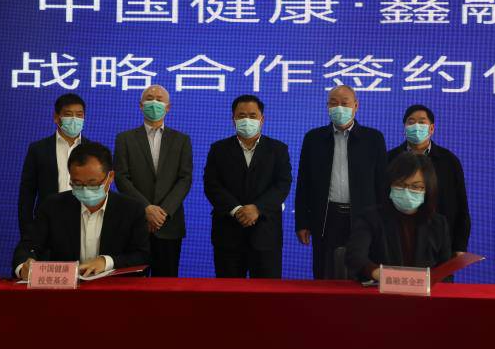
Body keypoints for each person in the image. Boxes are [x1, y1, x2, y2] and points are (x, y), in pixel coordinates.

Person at [13, 142, 150, 280]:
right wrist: (23, 267)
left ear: (110, 177)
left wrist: (107, 261)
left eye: (93, 184)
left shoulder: (132, 209)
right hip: (66, 287)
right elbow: (27, 246)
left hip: (113, 287)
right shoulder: (52, 206)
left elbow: (142, 255)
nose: (85, 190)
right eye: (77, 184)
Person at [294, 85, 387, 279]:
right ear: (327, 107)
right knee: (324, 273)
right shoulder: (313, 138)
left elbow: (381, 184)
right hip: (327, 217)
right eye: (334, 103)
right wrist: (302, 222)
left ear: (356, 106)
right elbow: (304, 184)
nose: (339, 108)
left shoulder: (373, 139)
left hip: (363, 218)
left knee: (363, 273)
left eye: (345, 103)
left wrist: (382, 221)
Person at [204, 95, 292, 279]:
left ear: (262, 119)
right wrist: (237, 210)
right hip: (228, 235)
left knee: (267, 293)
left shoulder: (278, 149)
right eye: (241, 115)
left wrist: (257, 208)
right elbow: (212, 185)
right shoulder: (218, 149)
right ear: (233, 119)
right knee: (228, 293)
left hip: (266, 235)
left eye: (252, 116)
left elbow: (282, 185)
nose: (247, 120)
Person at [114, 85, 193, 277]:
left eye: (159, 99)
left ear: (168, 107)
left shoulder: (181, 140)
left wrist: (162, 212)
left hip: (168, 225)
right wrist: (146, 209)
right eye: (149, 98)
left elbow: (185, 179)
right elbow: (121, 178)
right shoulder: (124, 139)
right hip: (135, 223)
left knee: (166, 284)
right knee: (132, 284)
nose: (154, 102)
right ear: (141, 105)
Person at [345, 152, 452, 281]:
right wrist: (378, 273)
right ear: (390, 185)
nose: (406, 191)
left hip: (423, 292)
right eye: (400, 184)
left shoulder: (438, 224)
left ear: (427, 190)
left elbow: (446, 272)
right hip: (379, 290)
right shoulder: (370, 218)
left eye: (415, 187)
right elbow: (354, 257)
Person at [387, 104, 470, 255]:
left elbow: (461, 206)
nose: (416, 126)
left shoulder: (449, 161)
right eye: (411, 122)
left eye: (421, 122)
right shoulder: (390, 159)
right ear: (404, 128)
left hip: (440, 243)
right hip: (396, 240)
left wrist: (460, 247)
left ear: (431, 128)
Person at [18, 93, 90, 240]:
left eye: (79, 115)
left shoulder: (92, 150)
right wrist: (28, 232)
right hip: (47, 225)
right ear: (56, 117)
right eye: (68, 114)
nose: (74, 119)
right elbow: (27, 194)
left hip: (85, 224)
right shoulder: (38, 149)